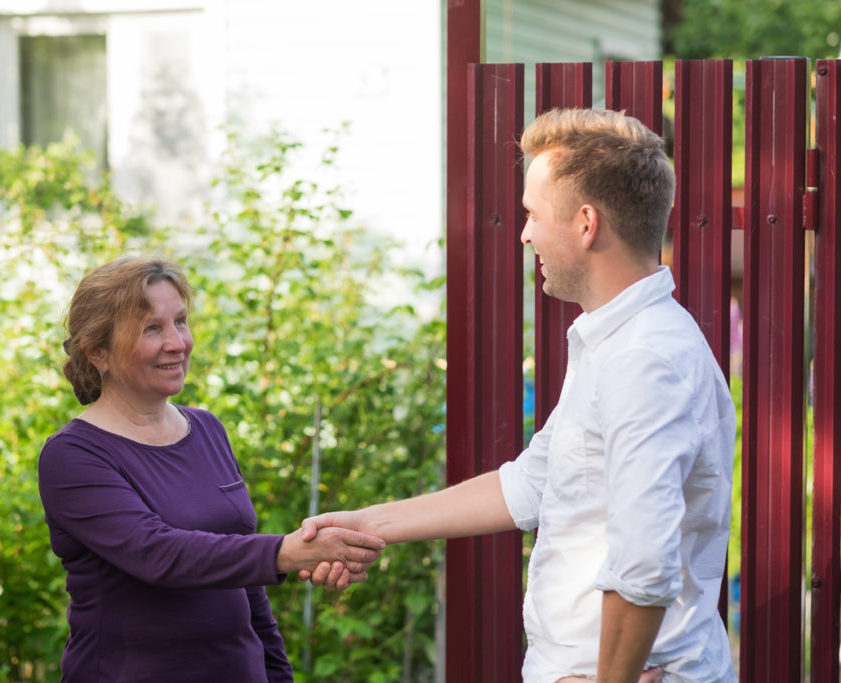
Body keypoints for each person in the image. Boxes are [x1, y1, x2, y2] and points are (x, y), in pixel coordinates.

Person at [301, 108, 737, 683]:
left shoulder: (643, 361)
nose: (525, 231)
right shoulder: (615, 342)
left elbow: (644, 563)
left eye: (533, 213)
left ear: (586, 224)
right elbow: (533, 482)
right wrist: (363, 525)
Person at [38, 255, 385, 682]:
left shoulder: (205, 429)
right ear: (98, 352)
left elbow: (247, 582)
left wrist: (277, 674)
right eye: (152, 328)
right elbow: (158, 554)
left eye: (180, 321)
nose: (177, 342)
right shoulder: (73, 455)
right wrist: (287, 552)